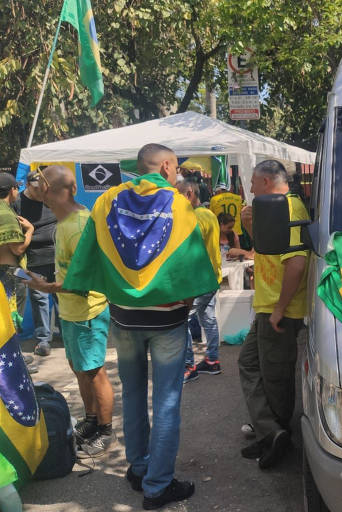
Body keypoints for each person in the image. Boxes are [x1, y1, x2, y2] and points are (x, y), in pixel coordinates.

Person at [108, 144, 195, 509]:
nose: (176, 174)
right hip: (166, 320)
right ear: (164, 166)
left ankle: (139, 468)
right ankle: (157, 486)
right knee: (166, 401)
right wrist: (187, 303)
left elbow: (95, 253)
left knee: (131, 394)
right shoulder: (179, 205)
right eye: (175, 168)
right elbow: (192, 265)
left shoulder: (109, 201)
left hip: (123, 316)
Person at [22, 166, 115, 457]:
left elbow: (86, 282)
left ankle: (105, 429)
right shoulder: (63, 223)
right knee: (80, 371)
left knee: (95, 372)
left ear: (52, 191)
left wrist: (47, 287)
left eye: (41, 185)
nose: (36, 190)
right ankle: (90, 420)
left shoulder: (79, 226)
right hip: (72, 313)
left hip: (88, 313)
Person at [238, 160, 309, 469]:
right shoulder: (274, 208)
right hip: (268, 305)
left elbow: (296, 263)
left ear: (266, 182)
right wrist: (252, 227)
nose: (250, 188)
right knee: (251, 363)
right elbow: (266, 250)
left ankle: (278, 437)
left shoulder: (289, 208)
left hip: (279, 308)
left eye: (253, 182)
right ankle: (270, 431)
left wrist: (280, 309)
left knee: (276, 376)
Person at [176, 179, 222, 383]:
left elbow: (187, 253)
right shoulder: (209, 214)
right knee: (208, 319)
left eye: (177, 195)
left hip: (199, 282)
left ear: (188, 194)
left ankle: (189, 366)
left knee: (181, 321)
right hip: (212, 277)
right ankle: (213, 361)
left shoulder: (194, 218)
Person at [16, 169, 58, 357]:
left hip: (58, 258)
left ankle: (66, 334)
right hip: (32, 260)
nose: (42, 193)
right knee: (39, 300)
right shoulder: (17, 204)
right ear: (27, 186)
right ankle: (43, 340)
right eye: (37, 190)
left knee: (62, 297)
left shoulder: (52, 197)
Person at [0, 173, 32, 330]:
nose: (18, 191)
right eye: (17, 187)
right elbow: (17, 248)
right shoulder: (6, 214)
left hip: (8, 272)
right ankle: (13, 353)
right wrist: (30, 231)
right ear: (11, 190)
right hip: (11, 273)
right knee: (12, 319)